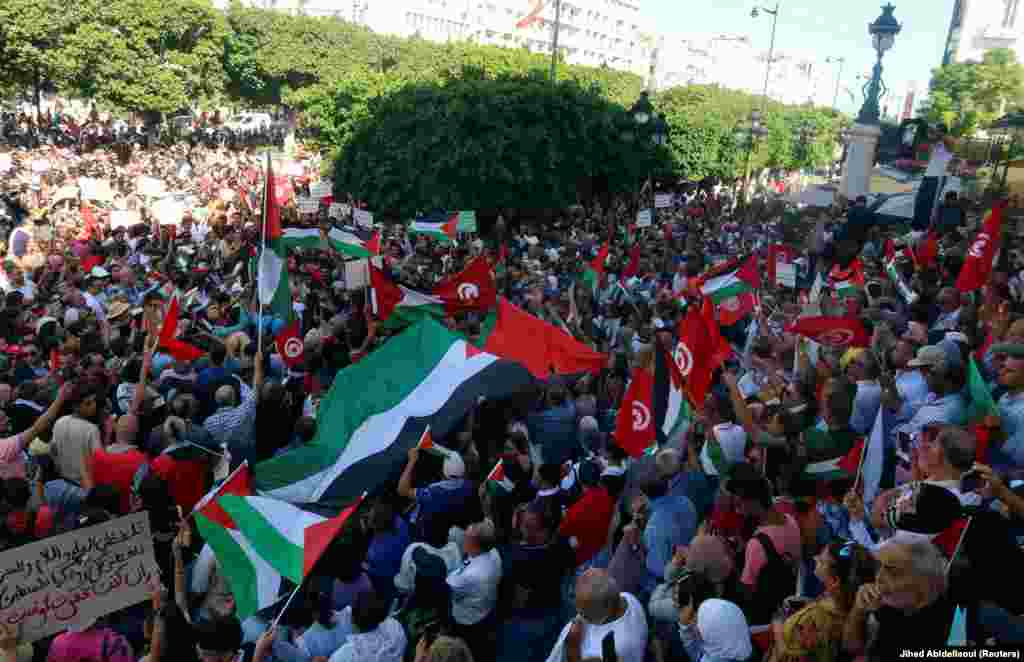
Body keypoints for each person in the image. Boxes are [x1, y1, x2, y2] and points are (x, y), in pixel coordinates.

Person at [843, 540, 955, 660]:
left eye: (891, 570)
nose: (878, 577)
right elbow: (851, 647)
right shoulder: (890, 604)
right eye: (880, 567)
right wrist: (858, 609)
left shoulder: (947, 626)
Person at [767, 541, 876, 662]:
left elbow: (786, 656)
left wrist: (778, 627)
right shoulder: (848, 605)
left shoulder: (813, 622)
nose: (815, 558)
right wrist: (807, 603)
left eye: (821, 561)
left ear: (834, 581)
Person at [545, 569, 648, 662]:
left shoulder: (614, 649)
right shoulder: (627, 598)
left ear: (605, 611)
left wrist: (572, 648)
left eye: (584, 614)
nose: (578, 616)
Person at [677, 598, 754, 662]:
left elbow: (696, 656)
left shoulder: (711, 657)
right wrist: (686, 629)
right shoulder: (739, 641)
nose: (694, 621)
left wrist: (685, 630)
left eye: (699, 620)